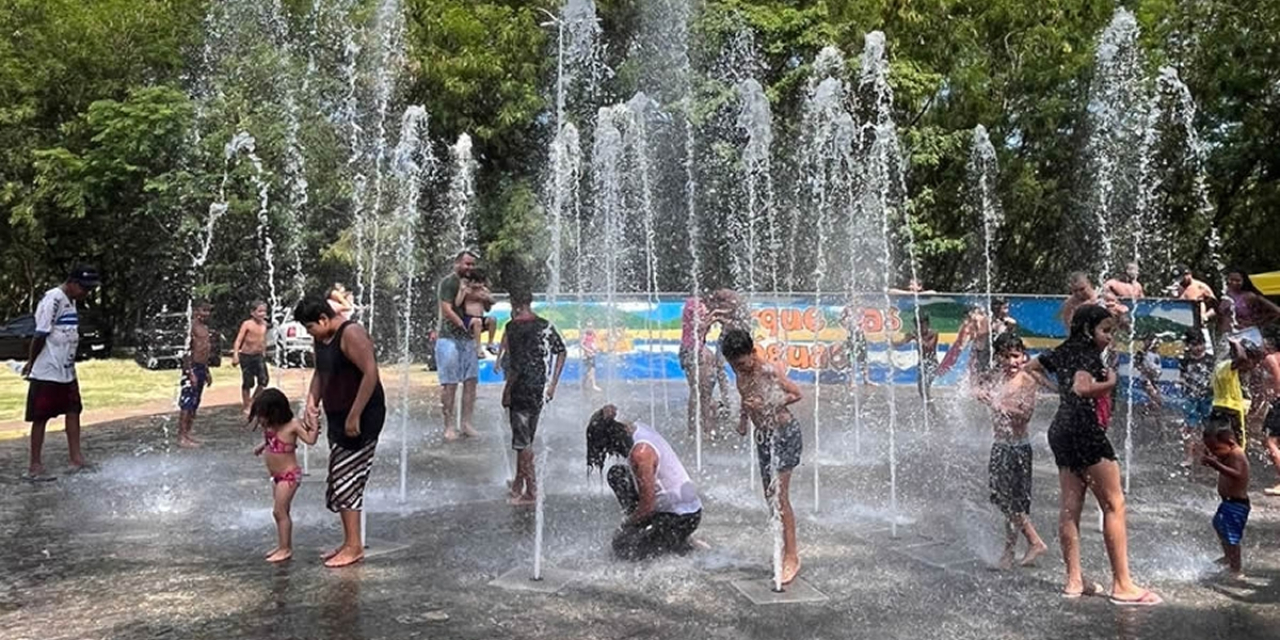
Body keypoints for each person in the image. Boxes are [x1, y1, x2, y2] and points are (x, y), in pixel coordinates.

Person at [1024, 304, 1161, 605]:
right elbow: (1081, 388)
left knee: (1069, 507)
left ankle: (1073, 581)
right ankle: (1122, 585)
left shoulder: (1061, 350)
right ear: (1088, 330)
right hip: (1084, 430)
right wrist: (1109, 383)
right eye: (1105, 330)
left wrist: (1054, 388)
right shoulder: (1087, 354)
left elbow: (1030, 367)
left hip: (1061, 429)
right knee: (1114, 504)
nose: (1110, 337)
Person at [296, 296, 385, 568]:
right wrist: (311, 403)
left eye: (310, 327)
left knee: (347, 477)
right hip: (338, 416)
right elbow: (320, 373)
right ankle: (348, 542)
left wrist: (355, 414)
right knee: (338, 476)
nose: (309, 333)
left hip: (362, 416)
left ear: (323, 319)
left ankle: (355, 546)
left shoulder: (351, 333)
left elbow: (370, 373)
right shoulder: (322, 338)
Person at [722, 328, 804, 585]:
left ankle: (792, 557)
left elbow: (796, 394)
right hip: (764, 438)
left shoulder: (768, 371)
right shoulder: (740, 370)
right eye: (734, 365)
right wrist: (743, 420)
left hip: (784, 434)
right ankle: (782, 548)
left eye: (742, 363)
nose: (738, 368)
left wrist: (767, 404)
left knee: (780, 497)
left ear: (752, 352)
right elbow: (746, 396)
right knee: (770, 497)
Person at [587, 405, 704, 559]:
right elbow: (608, 415)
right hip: (668, 509)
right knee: (617, 474)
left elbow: (648, 505)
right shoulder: (636, 429)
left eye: (608, 449)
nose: (611, 453)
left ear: (612, 441)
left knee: (622, 547)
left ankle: (683, 544)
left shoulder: (640, 454)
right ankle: (654, 533)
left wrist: (625, 525)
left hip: (682, 516)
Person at [975, 333, 1048, 570]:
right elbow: (974, 383)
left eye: (1015, 356)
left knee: (1014, 503)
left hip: (1018, 449)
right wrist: (978, 392)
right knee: (1002, 500)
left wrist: (997, 404)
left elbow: (1025, 414)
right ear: (998, 357)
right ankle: (1010, 551)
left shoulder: (1027, 380)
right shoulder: (997, 377)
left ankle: (1034, 542)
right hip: (1000, 445)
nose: (1011, 362)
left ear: (1023, 356)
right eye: (1005, 356)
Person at [21, 265, 99, 481]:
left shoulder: (71, 301)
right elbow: (40, 334)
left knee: (73, 410)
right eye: (84, 288)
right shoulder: (53, 299)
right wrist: (31, 362)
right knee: (41, 416)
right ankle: (35, 465)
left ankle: (76, 458)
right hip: (48, 369)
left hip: (66, 369)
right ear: (72, 282)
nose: (86, 293)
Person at [499, 287, 566, 506]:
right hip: (538, 388)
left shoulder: (512, 327)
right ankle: (519, 483)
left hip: (520, 388)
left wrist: (507, 390)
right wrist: (552, 384)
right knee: (527, 439)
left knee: (523, 443)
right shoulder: (544, 324)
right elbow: (562, 351)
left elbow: (516, 365)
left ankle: (532, 491)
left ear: (515, 304)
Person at [250, 388, 318, 563]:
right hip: (276, 477)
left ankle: (285, 549)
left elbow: (310, 440)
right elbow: (272, 440)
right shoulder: (271, 426)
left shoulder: (292, 425)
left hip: (289, 476)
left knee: (278, 511)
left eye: (264, 415)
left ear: (275, 412)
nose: (261, 420)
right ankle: (283, 544)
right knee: (283, 512)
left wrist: (314, 423)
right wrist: (262, 446)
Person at [435, 250, 481, 441]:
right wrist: (462, 325)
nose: (470, 267)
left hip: (468, 340)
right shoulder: (449, 282)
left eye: (472, 264)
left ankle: (466, 423)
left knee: (471, 381)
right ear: (457, 264)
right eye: (467, 264)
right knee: (450, 384)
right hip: (448, 338)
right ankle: (448, 425)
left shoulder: (473, 283)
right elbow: (446, 309)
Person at [1201, 417, 1250, 581]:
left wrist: (1216, 465)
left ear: (1230, 442)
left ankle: (1236, 568)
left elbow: (1239, 475)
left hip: (1237, 504)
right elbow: (1223, 461)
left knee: (1231, 535)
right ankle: (1228, 556)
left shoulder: (1237, 454)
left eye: (1215, 448)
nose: (1214, 453)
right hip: (1228, 502)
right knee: (1219, 525)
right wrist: (1214, 460)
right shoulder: (1228, 453)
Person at [679, 295, 721, 437]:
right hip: (692, 350)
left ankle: (703, 427)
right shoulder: (694, 303)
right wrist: (715, 316)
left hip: (696, 349)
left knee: (704, 392)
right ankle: (697, 429)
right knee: (698, 392)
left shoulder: (698, 303)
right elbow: (699, 326)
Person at [1211, 338, 1262, 446]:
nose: (1254, 366)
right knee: (1236, 446)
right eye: (1253, 362)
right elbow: (1241, 358)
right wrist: (1235, 343)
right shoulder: (1226, 367)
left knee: (1222, 444)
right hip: (1230, 410)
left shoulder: (1227, 370)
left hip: (1222, 409)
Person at [177, 302, 214, 449]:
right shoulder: (191, 327)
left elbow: (204, 351)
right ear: (196, 310)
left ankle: (188, 433)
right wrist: (189, 372)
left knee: (195, 403)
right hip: (191, 368)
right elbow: (186, 351)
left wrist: (207, 371)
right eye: (203, 310)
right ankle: (181, 436)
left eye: (208, 311)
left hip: (201, 367)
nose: (206, 314)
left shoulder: (205, 328)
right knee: (187, 403)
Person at [1178, 330, 1214, 468]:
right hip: (1191, 398)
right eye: (1194, 345)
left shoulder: (1210, 360)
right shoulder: (1185, 361)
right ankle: (1189, 457)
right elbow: (1181, 378)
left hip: (1207, 397)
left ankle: (1208, 455)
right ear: (1188, 345)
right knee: (1189, 427)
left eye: (1201, 344)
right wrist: (1183, 384)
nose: (1199, 348)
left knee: (1208, 427)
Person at [233, 301, 271, 415]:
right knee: (248, 382)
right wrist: (235, 354)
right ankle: (246, 406)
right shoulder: (247, 324)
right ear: (252, 312)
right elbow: (238, 340)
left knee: (264, 380)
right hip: (246, 356)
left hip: (259, 356)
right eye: (259, 311)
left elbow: (263, 340)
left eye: (264, 311)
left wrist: (264, 352)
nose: (262, 314)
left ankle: (253, 401)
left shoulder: (265, 324)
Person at [893, 313, 939, 403]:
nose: (920, 327)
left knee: (925, 387)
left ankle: (931, 406)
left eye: (922, 324)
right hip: (921, 364)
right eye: (918, 325)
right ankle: (929, 406)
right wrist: (891, 342)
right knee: (921, 389)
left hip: (932, 364)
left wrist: (917, 338)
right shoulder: (915, 333)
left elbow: (928, 346)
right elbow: (902, 342)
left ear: (927, 324)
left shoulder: (933, 333)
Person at [455, 268, 498, 358]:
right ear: (471, 281)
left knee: (493, 319)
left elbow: (488, 309)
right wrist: (462, 291)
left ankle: (490, 343)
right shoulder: (467, 290)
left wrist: (487, 299)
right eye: (476, 282)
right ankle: (478, 348)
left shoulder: (484, 291)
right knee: (477, 321)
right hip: (468, 318)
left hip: (481, 318)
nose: (478, 285)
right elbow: (457, 303)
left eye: (481, 283)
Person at [839, 303, 874, 386]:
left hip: (861, 334)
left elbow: (864, 321)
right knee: (851, 358)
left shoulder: (861, 308)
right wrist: (847, 326)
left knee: (864, 357)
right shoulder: (847, 309)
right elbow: (841, 320)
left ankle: (866, 379)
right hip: (851, 334)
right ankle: (852, 380)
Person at [581, 319, 602, 392]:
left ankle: (586, 383)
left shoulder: (593, 334)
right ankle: (591, 385)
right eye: (588, 326)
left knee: (592, 370)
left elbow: (594, 343)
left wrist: (596, 348)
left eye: (591, 326)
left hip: (592, 354)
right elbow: (581, 345)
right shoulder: (585, 335)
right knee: (591, 371)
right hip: (587, 355)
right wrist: (588, 350)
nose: (590, 328)